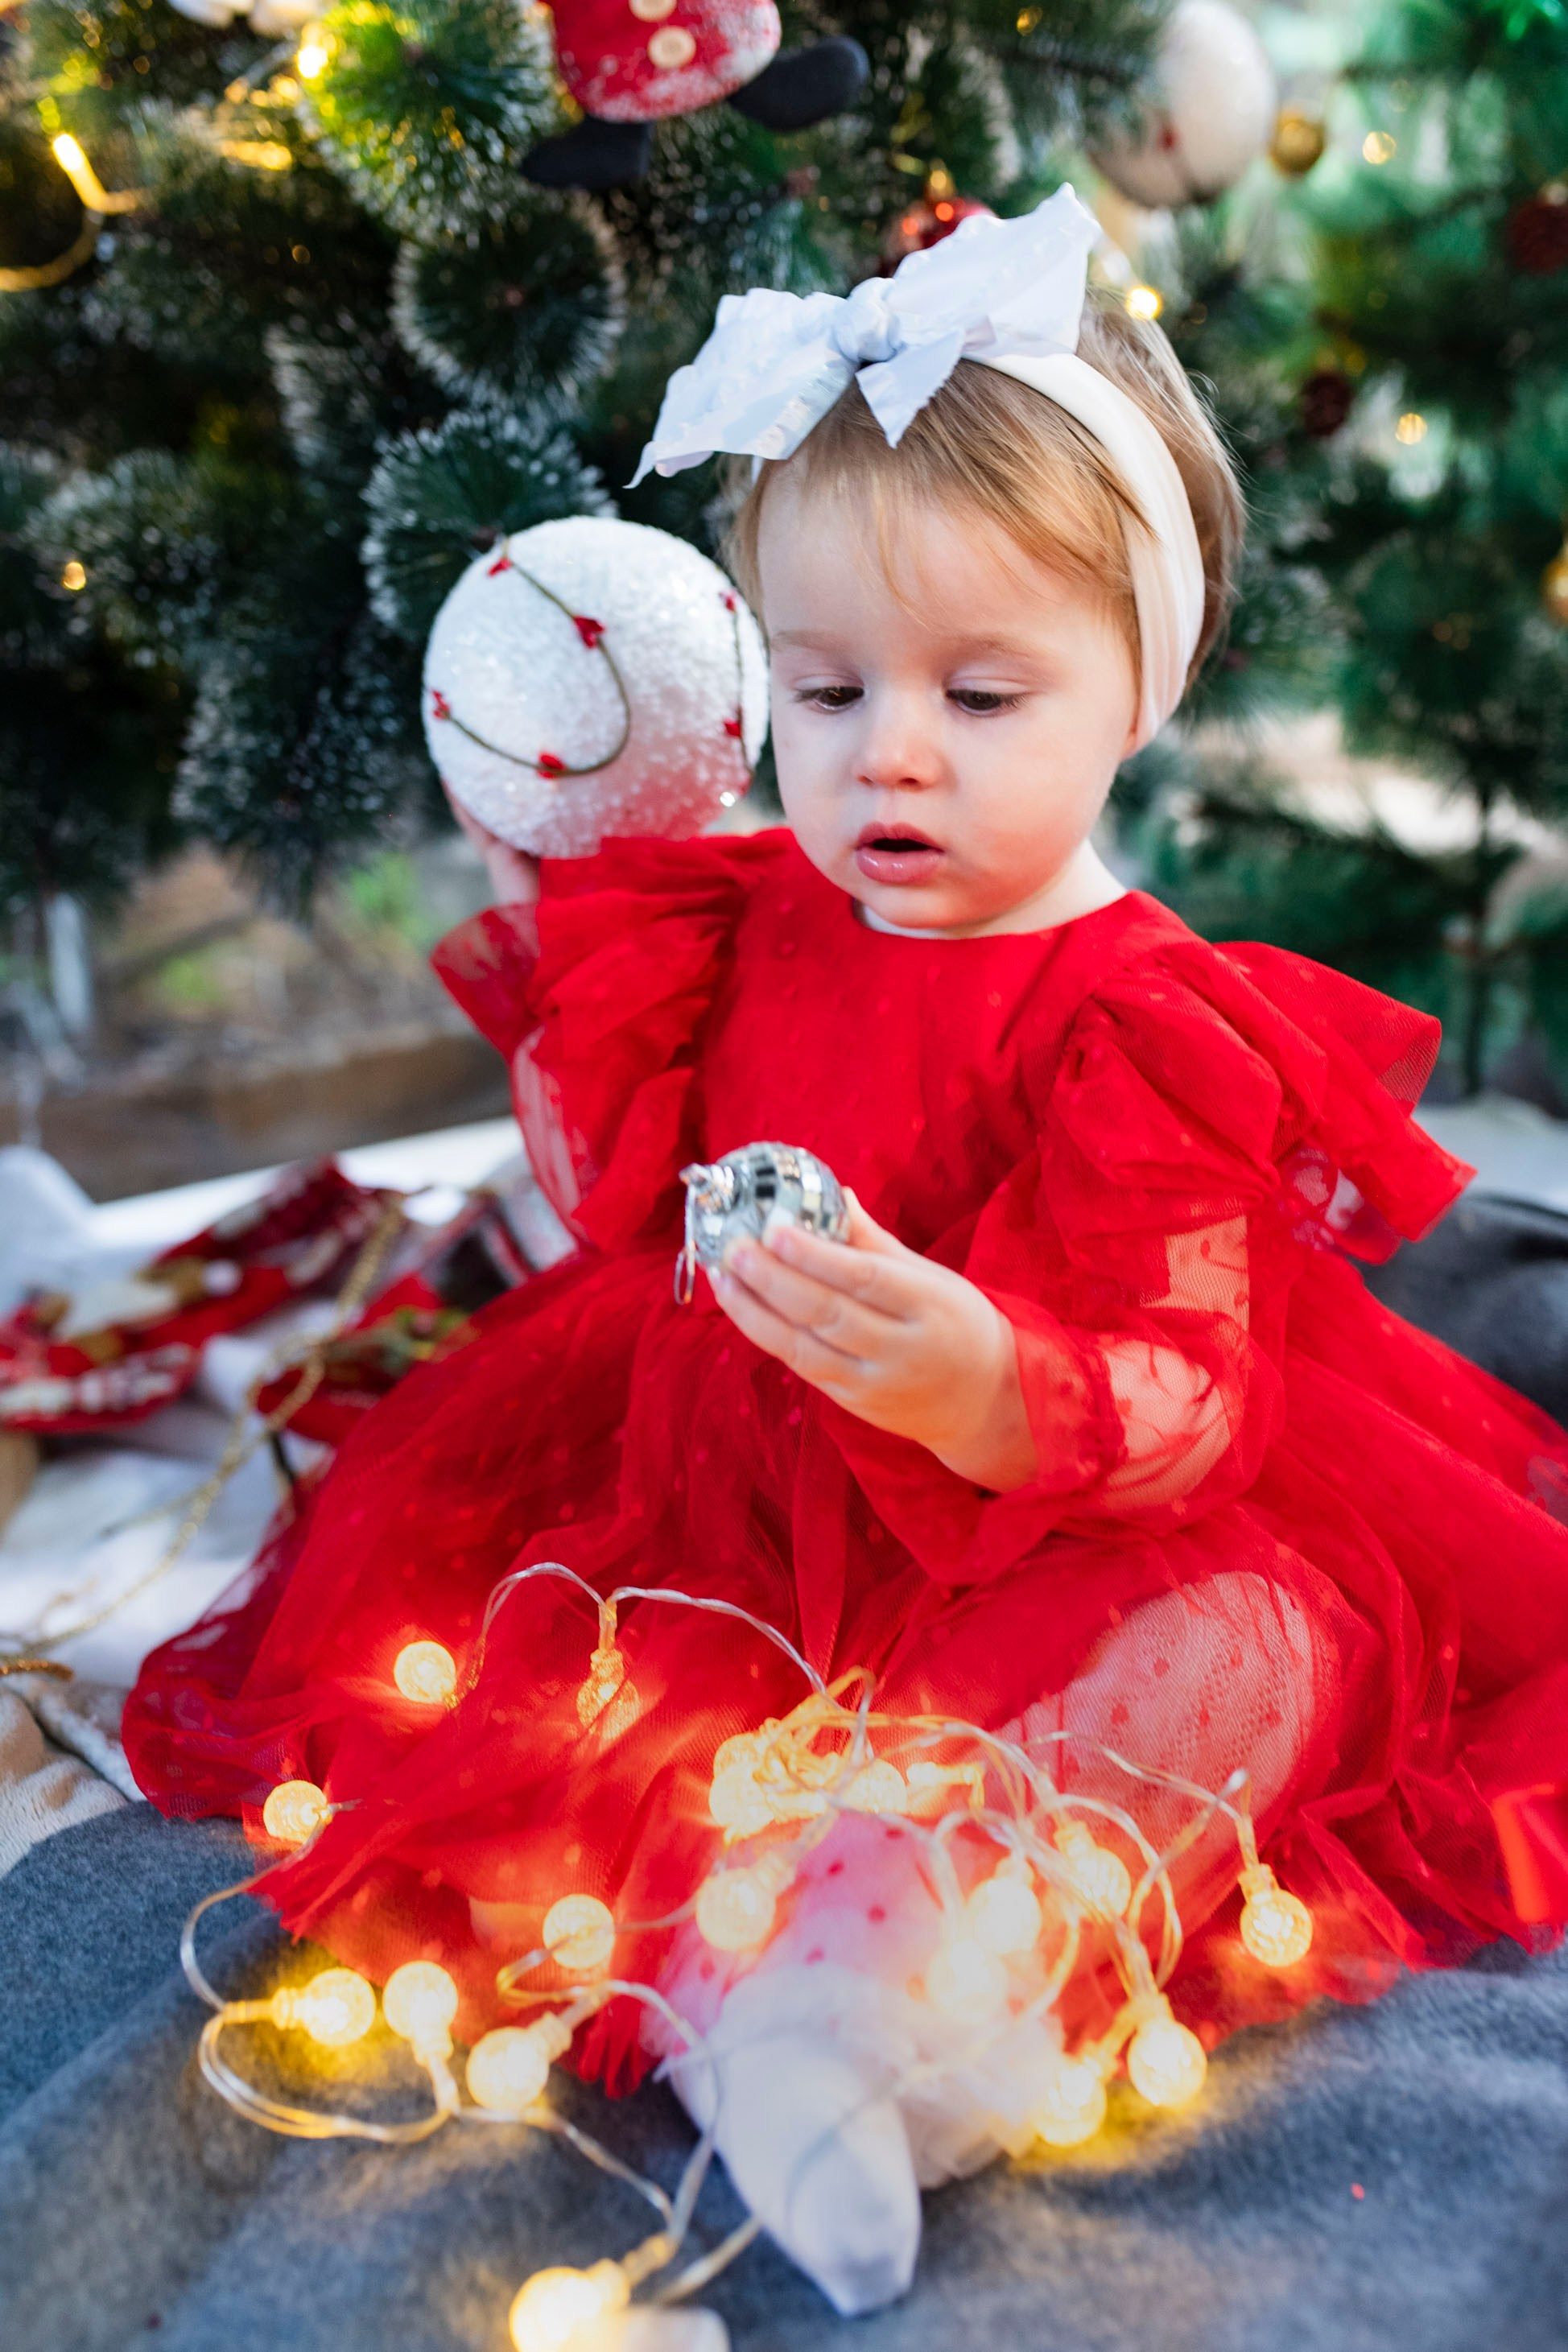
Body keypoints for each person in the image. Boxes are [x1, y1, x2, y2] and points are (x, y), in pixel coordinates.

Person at [126, 190, 1568, 2316]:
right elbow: (622, 1188)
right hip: (725, 1482)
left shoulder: (1143, 1014)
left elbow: (1179, 1391)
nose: (889, 745)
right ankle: (765, 1952)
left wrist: (984, 1378)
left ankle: (900, 1962)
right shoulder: (744, 916)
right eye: (824, 687)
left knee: (1255, 1640)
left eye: (981, 691)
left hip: (1069, 1504)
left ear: (1134, 692)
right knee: (562, 1667)